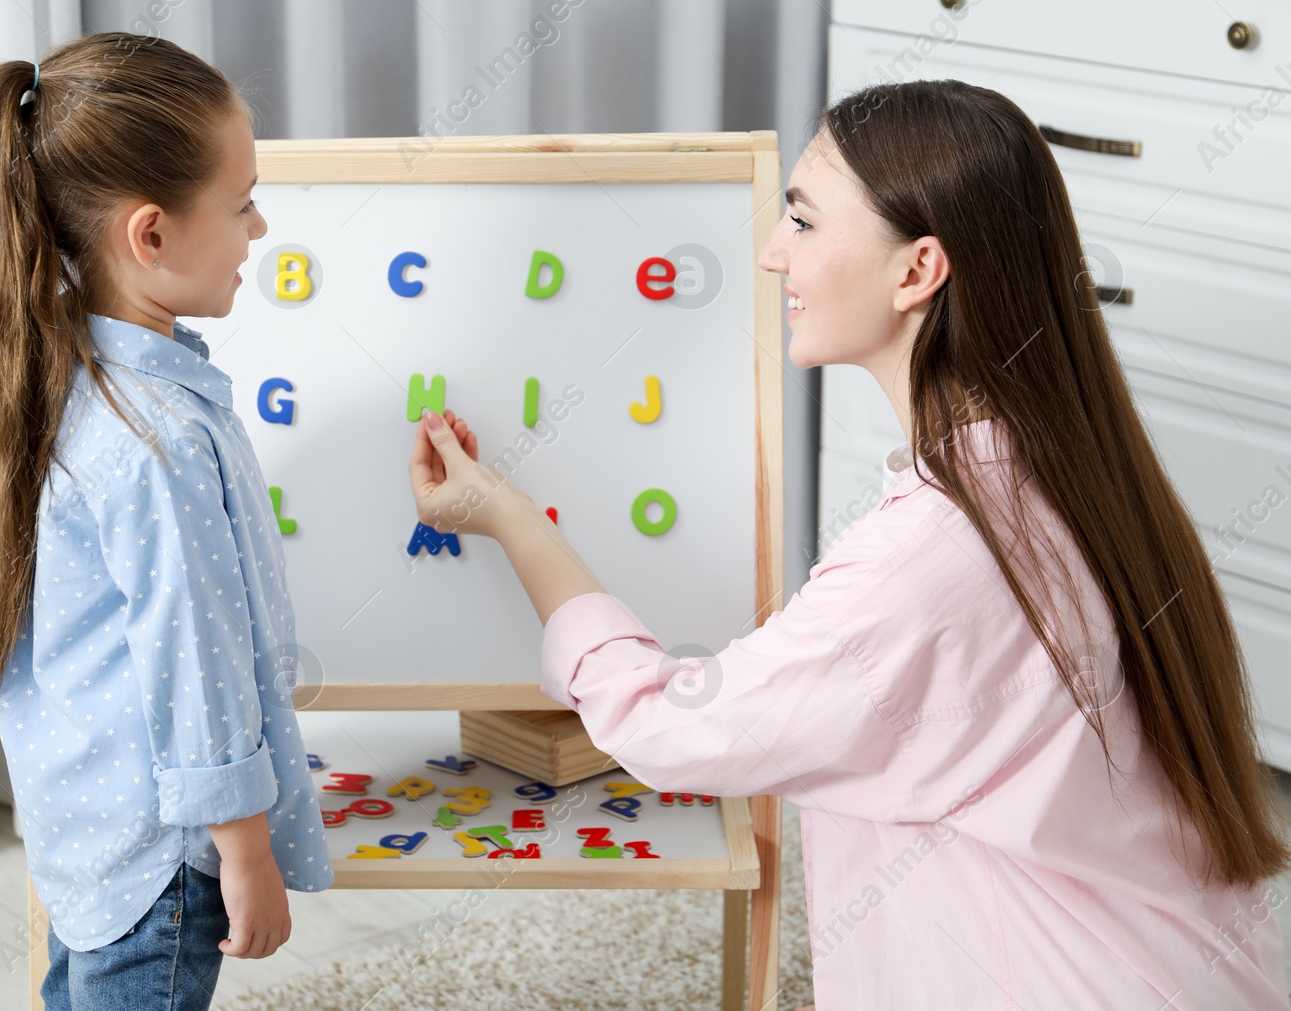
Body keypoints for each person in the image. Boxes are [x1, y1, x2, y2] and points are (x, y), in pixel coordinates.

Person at [407, 79, 1291, 1009]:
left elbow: (667, 727)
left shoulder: (926, 559)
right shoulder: (1066, 466)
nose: (770, 254)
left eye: (802, 220)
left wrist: (507, 516)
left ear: (916, 271)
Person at [0, 33, 347, 1010]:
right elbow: (194, 659)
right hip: (163, 852)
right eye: (240, 201)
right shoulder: (153, 437)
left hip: (91, 827)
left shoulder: (64, 368)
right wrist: (243, 849)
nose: (258, 226)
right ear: (149, 235)